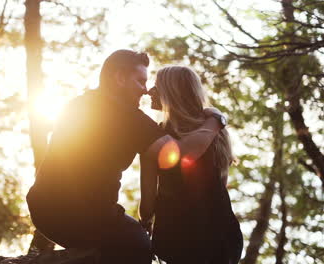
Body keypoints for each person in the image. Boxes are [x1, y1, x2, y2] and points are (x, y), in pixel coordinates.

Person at [26, 50, 227, 264]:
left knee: (115, 245)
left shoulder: (77, 104)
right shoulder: (132, 120)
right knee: (140, 248)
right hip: (88, 215)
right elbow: (183, 154)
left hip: (42, 209)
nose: (145, 90)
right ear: (120, 78)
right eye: (140, 81)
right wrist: (216, 120)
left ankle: (83, 253)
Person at [141, 65, 243, 264]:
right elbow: (222, 182)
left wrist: (145, 222)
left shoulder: (156, 137)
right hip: (221, 234)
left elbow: (147, 203)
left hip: (178, 238)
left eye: (157, 87)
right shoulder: (216, 131)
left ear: (172, 93)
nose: (149, 92)